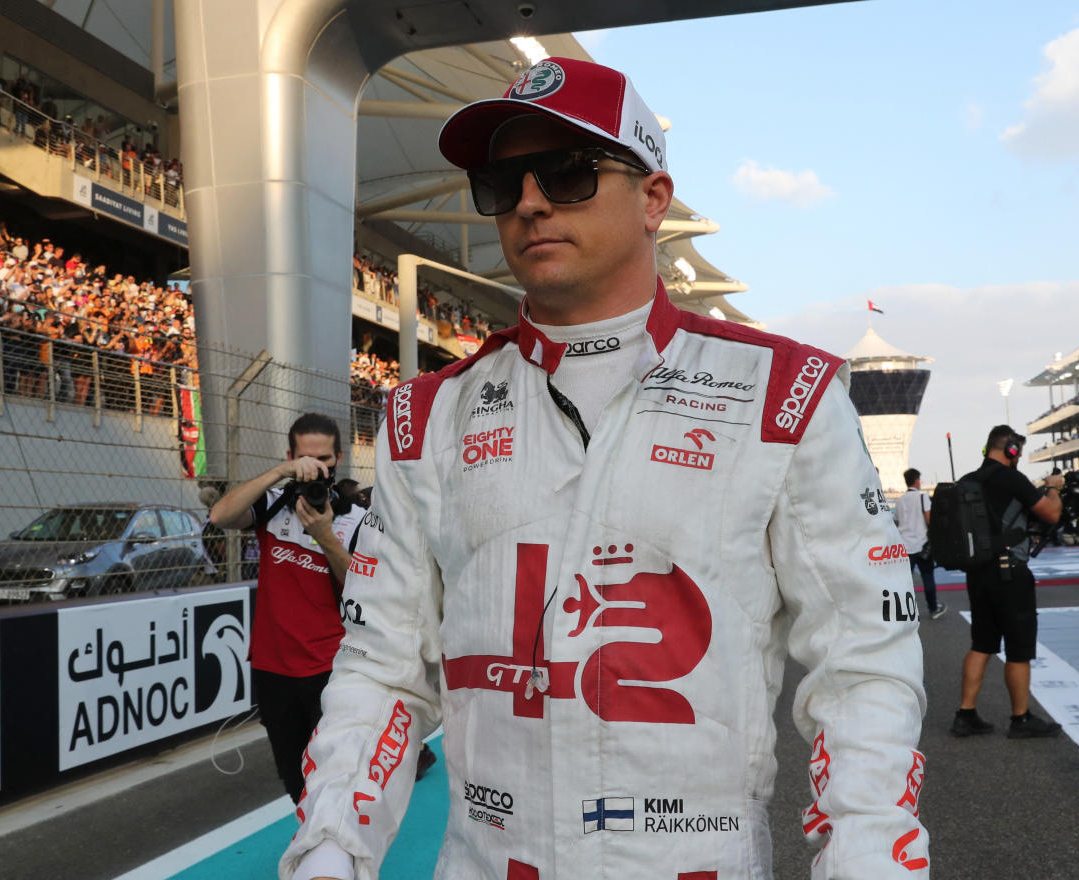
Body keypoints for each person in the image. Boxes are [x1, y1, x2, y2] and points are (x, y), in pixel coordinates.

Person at [282, 58, 928, 880]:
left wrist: (869, 855)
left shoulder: (782, 392)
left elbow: (861, 661)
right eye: (500, 181)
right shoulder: (426, 413)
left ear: (654, 198)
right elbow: (381, 666)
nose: (528, 202)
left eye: (569, 171)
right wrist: (331, 850)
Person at [209, 413, 367, 805]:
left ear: (339, 459)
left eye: (325, 461)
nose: (316, 470)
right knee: (296, 783)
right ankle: (316, 854)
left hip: (332, 668)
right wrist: (279, 473)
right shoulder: (272, 504)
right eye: (305, 459)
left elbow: (361, 591)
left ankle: (330, 861)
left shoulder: (357, 519)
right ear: (291, 456)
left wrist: (325, 536)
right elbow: (220, 516)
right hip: (273, 667)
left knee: (333, 779)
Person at [952, 425, 1063, 740]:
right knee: (1019, 648)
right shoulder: (1013, 479)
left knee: (982, 644)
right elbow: (1051, 514)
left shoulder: (968, 480)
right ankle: (1021, 719)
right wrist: (1053, 487)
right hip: (1010, 574)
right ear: (1011, 450)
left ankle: (966, 714)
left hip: (978, 574)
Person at [893, 468, 946, 619]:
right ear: (917, 481)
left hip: (905, 547)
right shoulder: (923, 498)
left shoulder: (900, 500)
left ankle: (905, 611)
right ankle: (933, 609)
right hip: (922, 546)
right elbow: (929, 520)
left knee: (905, 581)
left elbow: (896, 522)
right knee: (928, 577)